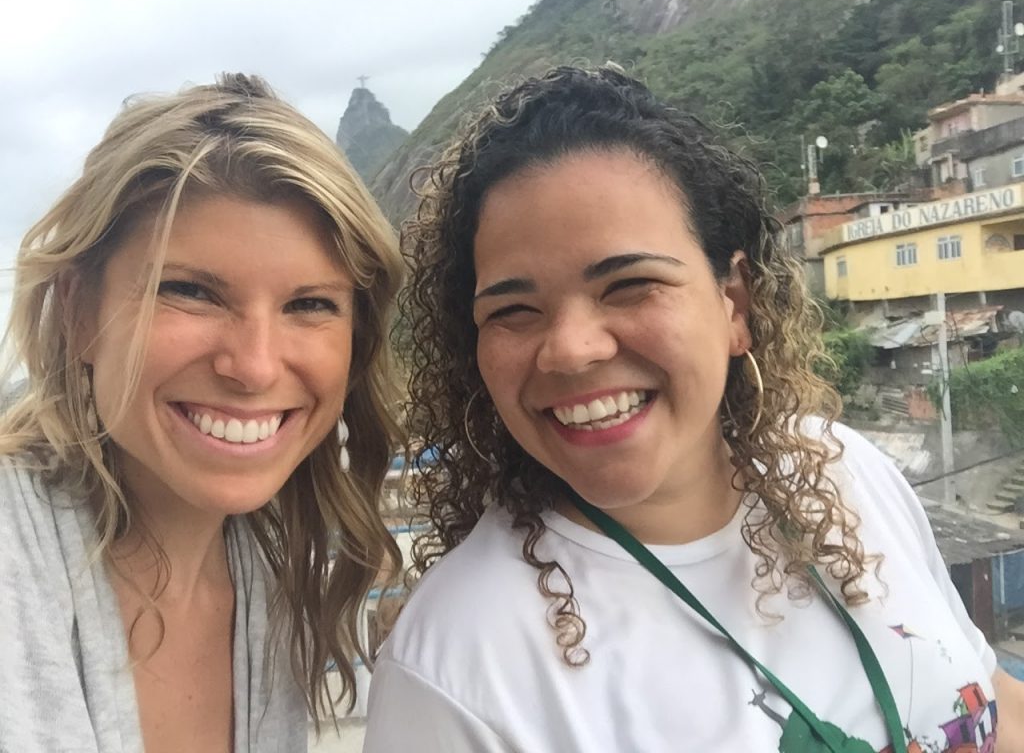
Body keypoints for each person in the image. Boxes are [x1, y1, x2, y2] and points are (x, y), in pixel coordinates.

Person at [365, 65, 1024, 752]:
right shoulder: (456, 671)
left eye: (630, 285)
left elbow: (993, 704)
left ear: (733, 303)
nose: (570, 350)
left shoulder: (843, 468)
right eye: (513, 310)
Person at [0, 73, 403, 752]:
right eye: (191, 292)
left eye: (310, 304)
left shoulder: (270, 584)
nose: (254, 366)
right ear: (78, 312)